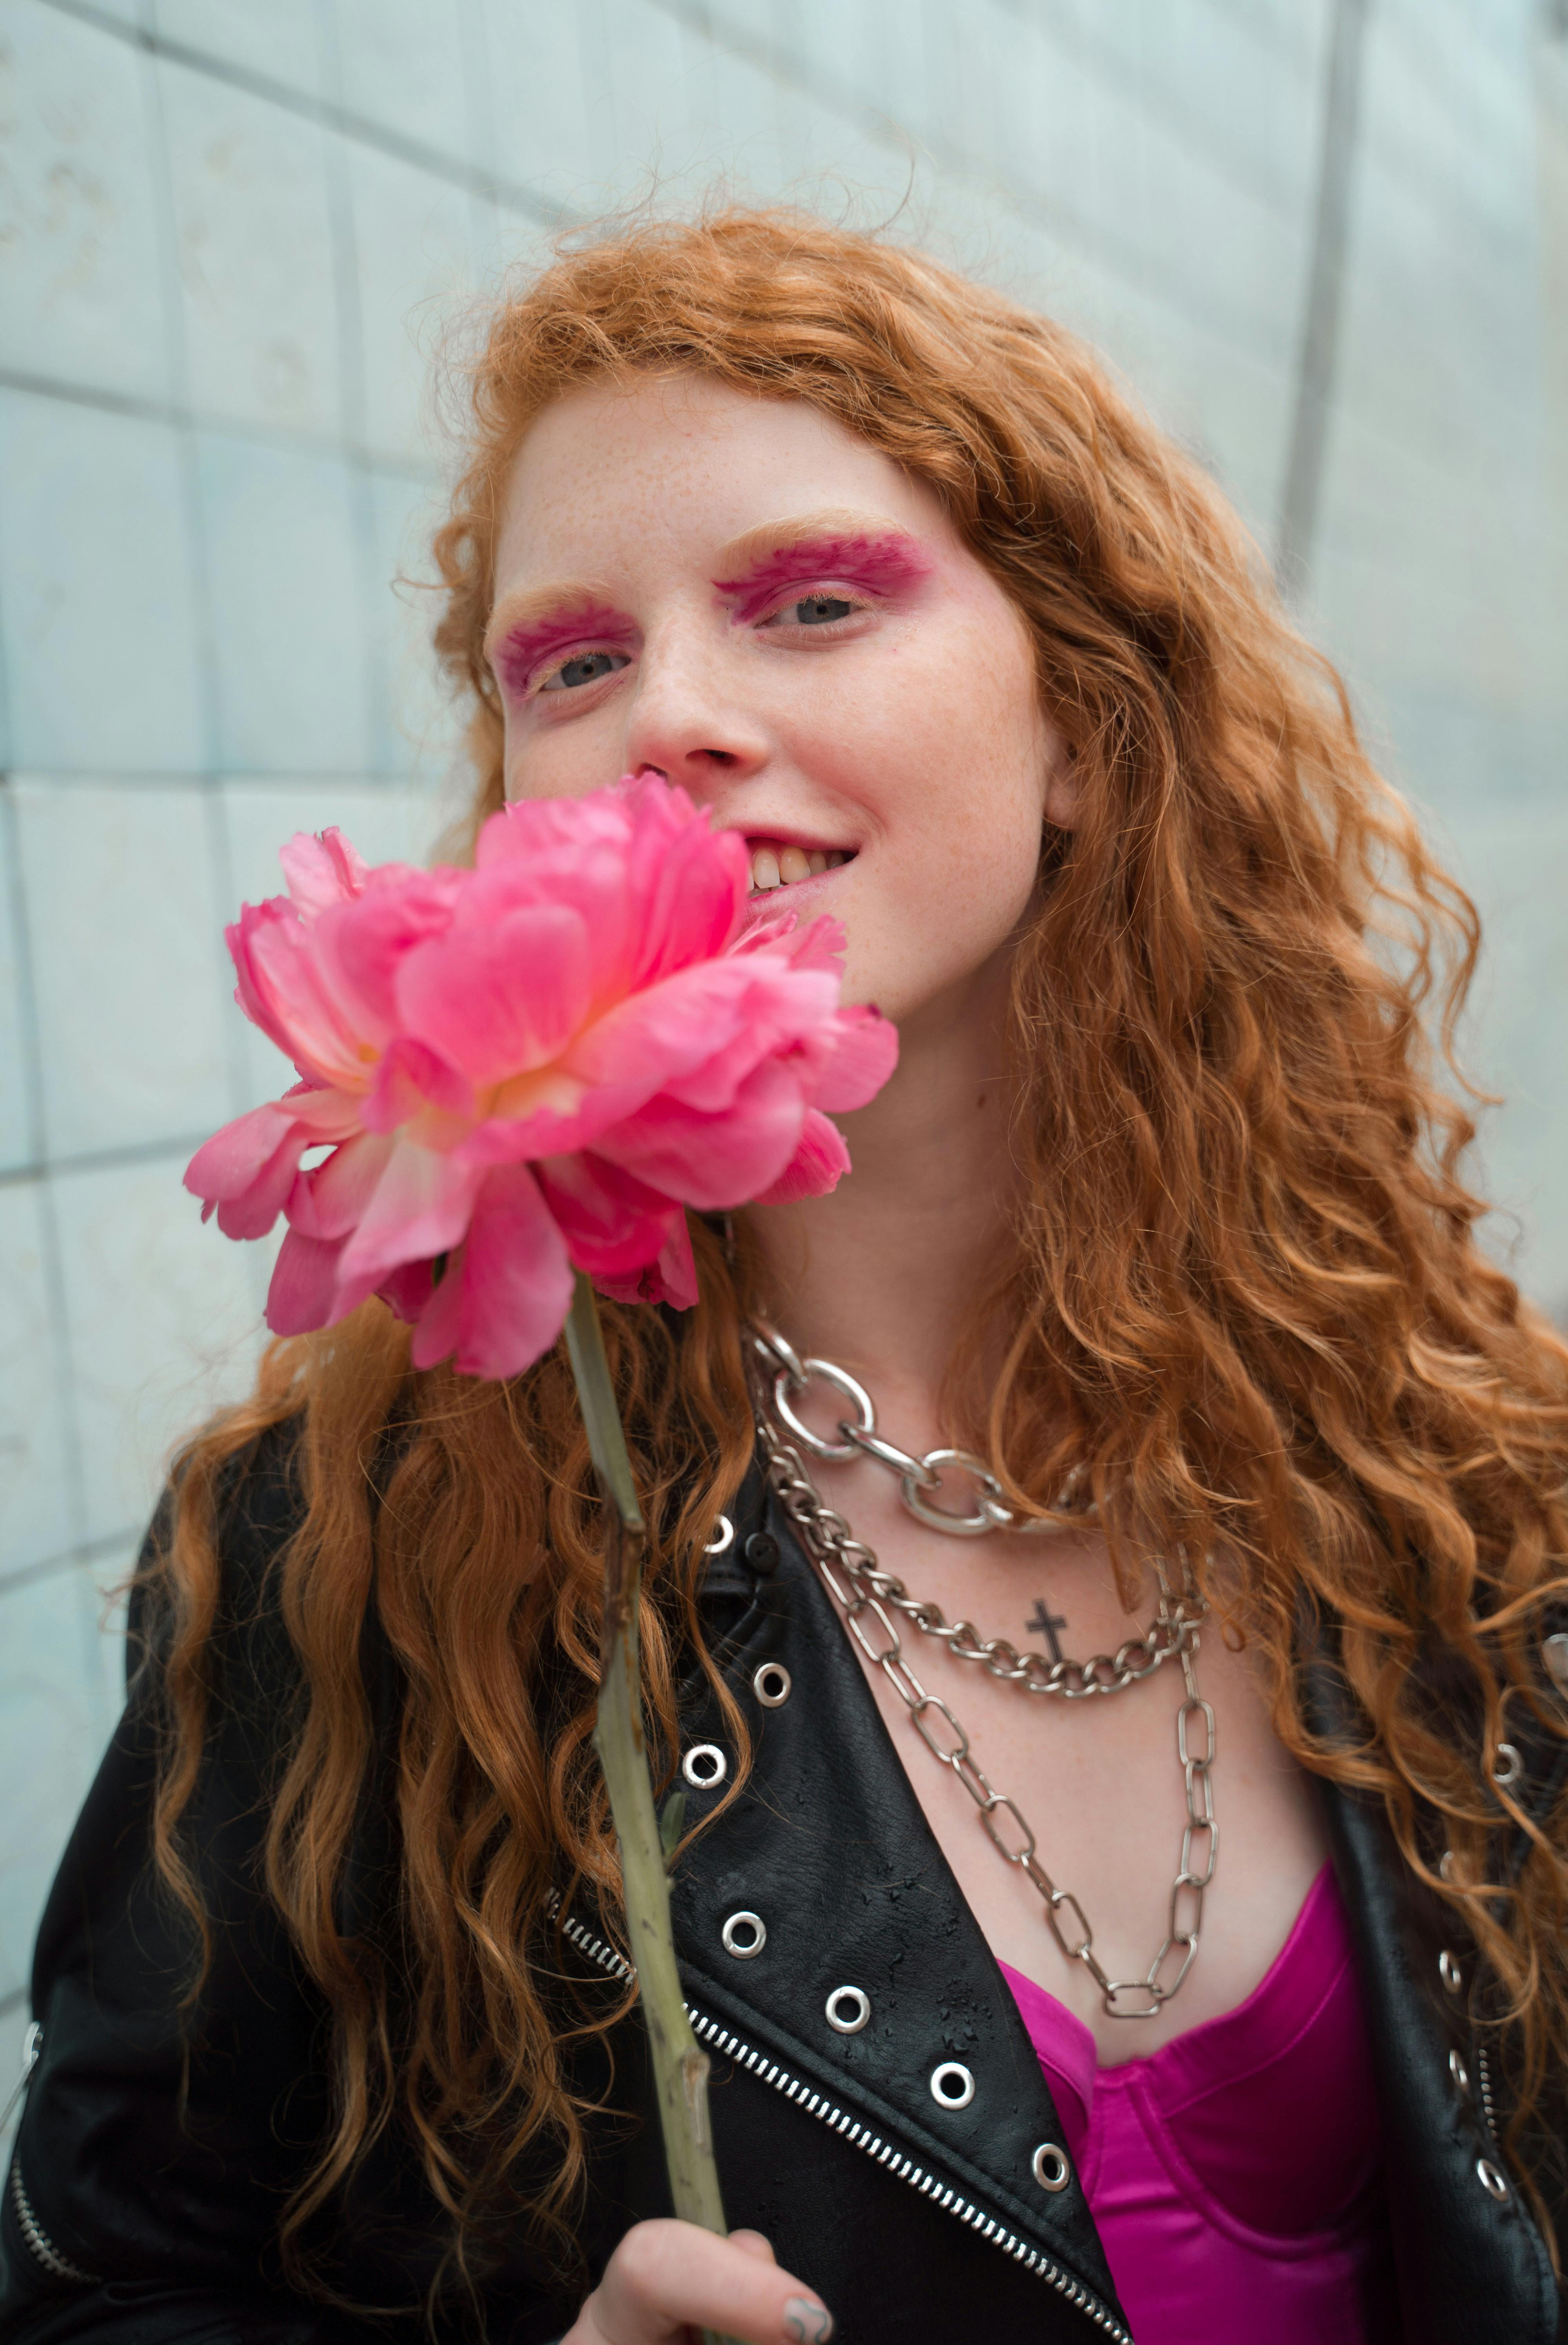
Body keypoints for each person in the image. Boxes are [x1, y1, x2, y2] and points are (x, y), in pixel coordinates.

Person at [3, 209, 1564, 2345]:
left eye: (813, 603)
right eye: (568, 664)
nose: (672, 718)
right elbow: (108, 2286)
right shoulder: (341, 1561)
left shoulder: (1461, 1463)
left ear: (1088, 728)